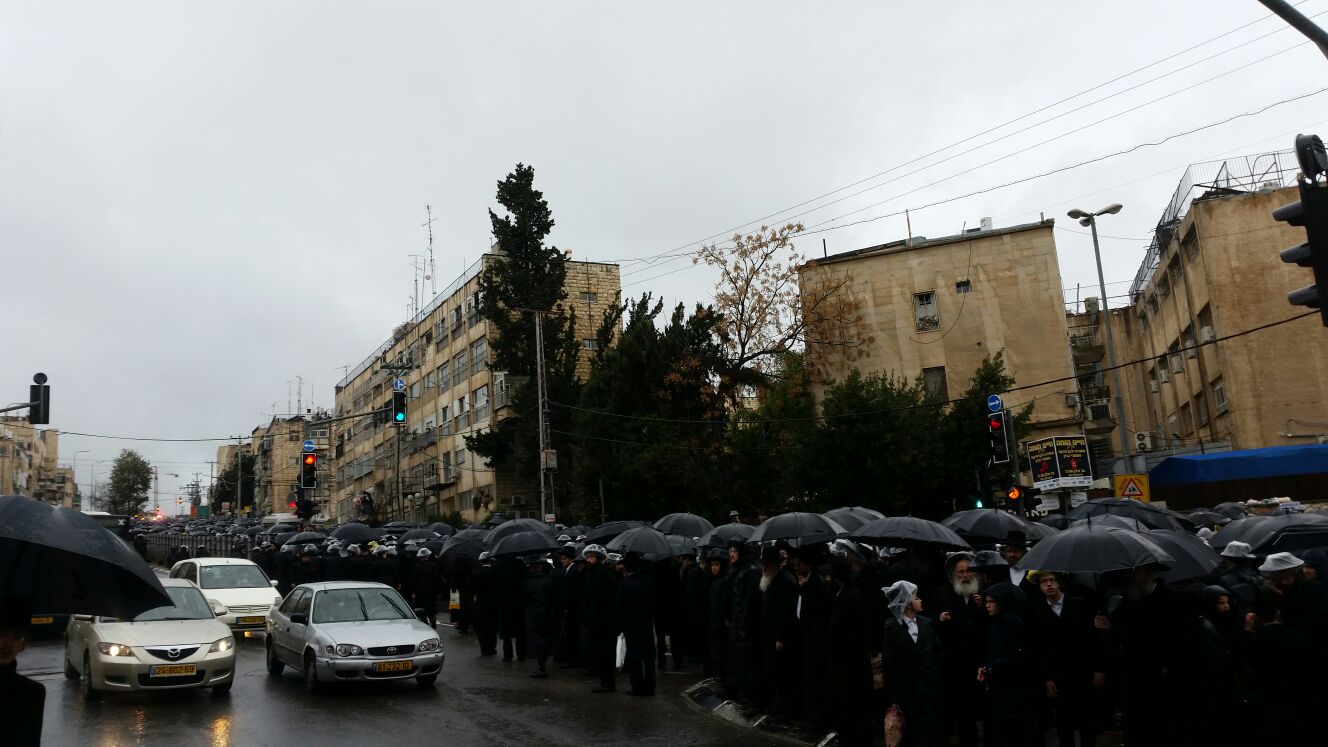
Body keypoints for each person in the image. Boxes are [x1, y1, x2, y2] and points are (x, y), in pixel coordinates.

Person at [1025, 571, 1102, 747]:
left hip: (1083, 671)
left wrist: (1098, 669)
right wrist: (1047, 678)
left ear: (1059, 583)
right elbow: (1039, 650)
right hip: (1059, 676)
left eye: (1052, 580)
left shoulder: (1079, 605)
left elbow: (1093, 640)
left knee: (1086, 723)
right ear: (1039, 587)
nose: (1049, 584)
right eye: (1044, 582)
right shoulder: (1038, 613)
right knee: (1063, 724)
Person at [932, 552, 984, 747]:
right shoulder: (943, 592)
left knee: (972, 712)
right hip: (952, 663)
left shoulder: (982, 593)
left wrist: (980, 609)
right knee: (951, 710)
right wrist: (940, 618)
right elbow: (932, 618)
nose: (965, 575)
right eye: (961, 572)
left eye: (968, 571)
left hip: (975, 662)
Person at [881, 580, 941, 747]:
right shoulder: (892, 628)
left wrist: (934, 675)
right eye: (915, 597)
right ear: (906, 603)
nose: (920, 600)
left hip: (927, 690)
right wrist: (893, 694)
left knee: (926, 733)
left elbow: (938, 652)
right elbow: (889, 663)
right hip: (905, 692)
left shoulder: (926, 624)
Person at [823, 561, 873, 747]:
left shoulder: (847, 597)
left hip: (847, 663)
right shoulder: (850, 594)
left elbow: (835, 629)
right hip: (853, 660)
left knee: (849, 705)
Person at [980, 583, 1035, 747]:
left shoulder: (1012, 623)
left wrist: (991, 667)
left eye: (991, 602)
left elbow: (1017, 656)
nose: (987, 605)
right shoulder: (993, 623)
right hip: (999, 685)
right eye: (986, 601)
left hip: (1014, 687)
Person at [758, 545, 801, 717]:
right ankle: (779, 703)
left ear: (776, 564)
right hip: (769, 634)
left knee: (781, 673)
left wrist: (781, 638)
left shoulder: (785, 581)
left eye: (767, 564)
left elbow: (786, 613)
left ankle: (785, 706)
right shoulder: (773, 578)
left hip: (779, 637)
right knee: (773, 672)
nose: (764, 568)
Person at [793, 546, 831, 728]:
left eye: (799, 565)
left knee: (815, 681)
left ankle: (818, 717)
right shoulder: (804, 583)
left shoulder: (817, 585)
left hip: (815, 641)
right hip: (805, 639)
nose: (796, 568)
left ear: (808, 566)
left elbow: (819, 614)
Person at [0, 598, 43, 747]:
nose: (8, 643)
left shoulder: (34, 693)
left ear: (23, 645)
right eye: (3, 633)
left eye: (17, 636)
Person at [726, 540, 763, 707]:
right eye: (730, 551)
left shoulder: (750, 571)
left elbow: (749, 601)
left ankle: (749, 696)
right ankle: (738, 690)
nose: (731, 554)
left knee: (746, 661)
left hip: (744, 625)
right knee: (736, 658)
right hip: (736, 622)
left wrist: (744, 626)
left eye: (734, 550)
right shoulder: (736, 570)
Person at [616, 551, 657, 696]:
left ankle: (637, 686)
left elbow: (620, 606)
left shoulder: (623, 584)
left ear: (626, 567)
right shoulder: (649, 582)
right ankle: (650, 685)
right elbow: (654, 604)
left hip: (630, 624)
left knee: (635, 657)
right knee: (649, 657)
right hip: (645, 623)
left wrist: (618, 626)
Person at [581, 544, 618, 693]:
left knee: (605, 653)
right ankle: (605, 681)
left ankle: (607, 683)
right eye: (588, 556)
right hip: (599, 620)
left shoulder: (602, 575)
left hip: (603, 621)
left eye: (592, 557)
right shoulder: (596, 574)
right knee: (602, 652)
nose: (589, 560)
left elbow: (600, 600)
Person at [523, 555, 557, 679]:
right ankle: (544, 662)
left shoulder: (526, 583)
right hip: (547, 612)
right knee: (545, 637)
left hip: (533, 613)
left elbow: (523, 599)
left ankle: (541, 667)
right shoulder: (549, 581)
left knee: (536, 639)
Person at [554, 546, 585, 669]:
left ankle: (572, 659)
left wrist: (567, 607)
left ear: (570, 559)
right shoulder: (568, 570)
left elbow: (572, 593)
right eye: (561, 559)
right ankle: (571, 657)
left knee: (572, 634)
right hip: (570, 608)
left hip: (572, 609)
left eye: (564, 558)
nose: (562, 561)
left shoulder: (573, 572)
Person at [464, 551, 500, 656]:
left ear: (480, 561)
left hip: (480, 603)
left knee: (482, 627)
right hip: (493, 603)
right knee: (492, 627)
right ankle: (492, 648)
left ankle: (484, 648)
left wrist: (474, 594)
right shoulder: (495, 572)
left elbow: (465, 586)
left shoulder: (476, 573)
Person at [705, 549, 731, 680]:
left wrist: (717, 622)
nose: (713, 568)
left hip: (719, 625)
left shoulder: (724, 581)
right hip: (715, 623)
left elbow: (723, 605)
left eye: (716, 565)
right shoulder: (716, 580)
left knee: (720, 653)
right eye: (712, 565)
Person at [413, 547, 443, 628]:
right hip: (431, 590)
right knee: (431, 607)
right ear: (428, 556)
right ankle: (433, 621)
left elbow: (415, 580)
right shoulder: (433, 566)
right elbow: (437, 578)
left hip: (420, 591)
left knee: (421, 608)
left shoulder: (417, 567)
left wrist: (413, 591)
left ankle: (424, 621)